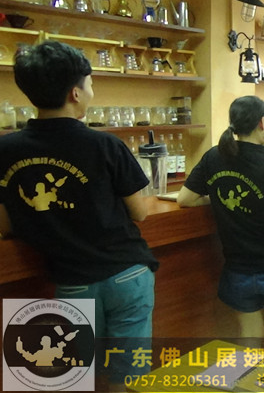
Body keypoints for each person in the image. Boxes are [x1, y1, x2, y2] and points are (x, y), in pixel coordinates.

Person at [0, 41, 157, 384]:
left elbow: (5, 225)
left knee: (73, 376)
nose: (91, 93)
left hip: (72, 280)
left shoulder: (5, 149)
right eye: (90, 84)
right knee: (128, 375)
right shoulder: (105, 144)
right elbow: (140, 212)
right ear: (75, 93)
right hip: (126, 273)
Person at [177, 96, 264, 344]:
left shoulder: (213, 157)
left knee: (248, 343)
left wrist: (217, 196)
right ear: (263, 123)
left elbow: (184, 199)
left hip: (239, 269)